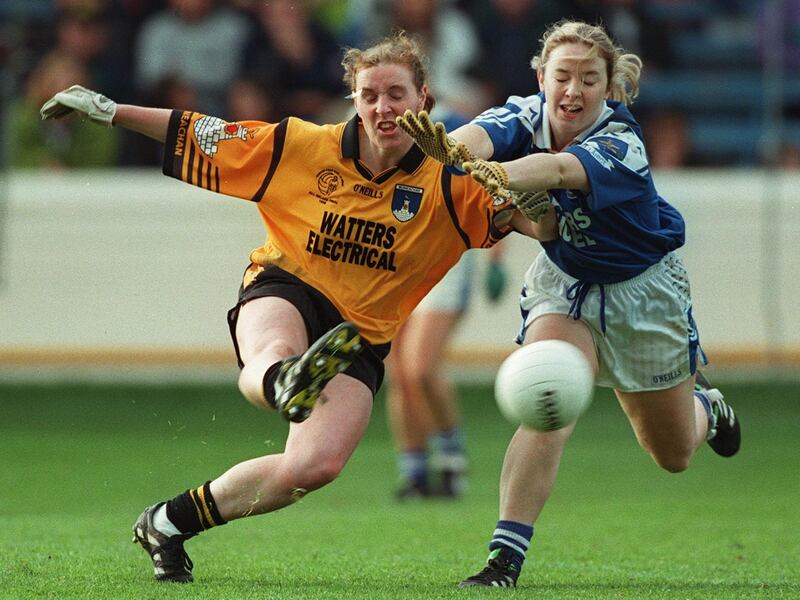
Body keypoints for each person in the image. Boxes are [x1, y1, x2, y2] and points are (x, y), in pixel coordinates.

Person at [39, 31, 552, 584]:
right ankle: (284, 379)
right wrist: (110, 110)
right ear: (353, 99)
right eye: (370, 94)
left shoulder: (455, 183)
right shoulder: (302, 146)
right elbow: (198, 132)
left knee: (314, 467)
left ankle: (166, 521)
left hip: (358, 334)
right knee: (274, 351)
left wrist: (538, 198)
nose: (383, 107)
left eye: (396, 94)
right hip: (287, 282)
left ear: (424, 99)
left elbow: (543, 226)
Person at [397, 20, 741, 588]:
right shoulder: (524, 115)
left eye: (589, 78)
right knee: (547, 395)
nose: (573, 91)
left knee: (673, 452)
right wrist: (454, 153)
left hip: (643, 295)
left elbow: (558, 170)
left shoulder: (621, 142)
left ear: (609, 87)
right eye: (562, 77)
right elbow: (480, 138)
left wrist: (492, 176)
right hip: (566, 283)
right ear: (541, 78)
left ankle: (709, 409)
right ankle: (503, 562)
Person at [386, 244, 507, 500]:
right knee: (400, 375)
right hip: (398, 260)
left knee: (421, 367)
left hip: (446, 262)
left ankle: (451, 459)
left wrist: (496, 261)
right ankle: (414, 472)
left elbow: (496, 203)